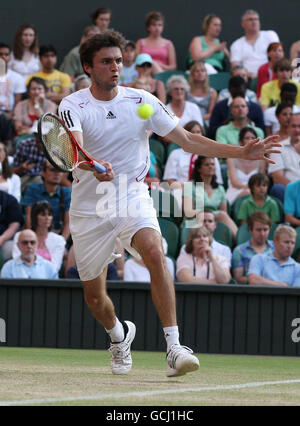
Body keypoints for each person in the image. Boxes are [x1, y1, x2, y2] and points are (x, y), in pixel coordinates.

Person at [57, 30, 280, 378]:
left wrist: (241, 151)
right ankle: (119, 336)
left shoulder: (141, 100)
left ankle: (174, 347)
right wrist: (91, 165)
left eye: (119, 60)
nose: (116, 67)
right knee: (95, 299)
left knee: (155, 250)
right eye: (106, 61)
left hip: (132, 194)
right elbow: (76, 151)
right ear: (88, 67)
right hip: (91, 205)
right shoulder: (73, 105)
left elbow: (188, 139)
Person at [183, 156, 238, 237]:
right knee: (221, 215)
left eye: (212, 164)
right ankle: (240, 240)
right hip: (194, 221)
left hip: (213, 222)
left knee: (222, 216)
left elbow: (224, 212)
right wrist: (209, 214)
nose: (210, 166)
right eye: (207, 164)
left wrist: (211, 217)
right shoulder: (190, 186)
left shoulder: (220, 189)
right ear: (199, 168)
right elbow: (188, 212)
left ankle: (238, 240)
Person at [163, 120, 223, 188]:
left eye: (198, 132)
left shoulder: (210, 155)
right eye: (192, 132)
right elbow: (169, 181)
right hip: (180, 191)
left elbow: (217, 182)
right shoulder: (175, 154)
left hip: (205, 193)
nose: (195, 135)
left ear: (202, 135)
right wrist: (189, 190)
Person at [22, 161, 71, 241]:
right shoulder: (33, 189)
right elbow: (29, 218)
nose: (57, 173)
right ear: (43, 172)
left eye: (60, 170)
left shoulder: (67, 192)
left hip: (58, 237)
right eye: (52, 169)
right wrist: (33, 241)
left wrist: (61, 244)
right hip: (34, 235)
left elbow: (68, 223)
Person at [12, 201, 66, 274]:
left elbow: (55, 267)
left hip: (48, 279)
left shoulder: (58, 240)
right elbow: (16, 260)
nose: (47, 218)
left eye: (49, 215)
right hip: (22, 276)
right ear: (35, 217)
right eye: (43, 215)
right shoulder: (19, 236)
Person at [230, 10, 279, 78]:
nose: (254, 22)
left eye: (256, 19)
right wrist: (251, 75)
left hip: (271, 75)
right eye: (250, 19)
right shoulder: (236, 44)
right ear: (242, 24)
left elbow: (279, 57)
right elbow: (236, 66)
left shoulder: (270, 35)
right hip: (249, 79)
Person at [226, 127, 265, 205]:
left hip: (256, 191)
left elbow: (262, 180)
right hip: (235, 190)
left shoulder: (261, 159)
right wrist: (251, 189)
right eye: (247, 138)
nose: (251, 140)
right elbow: (234, 182)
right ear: (240, 141)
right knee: (248, 192)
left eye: (253, 138)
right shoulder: (231, 158)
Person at [232, 211, 274, 284]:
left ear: (270, 229)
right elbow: (238, 279)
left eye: (265, 229)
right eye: (258, 230)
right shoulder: (239, 251)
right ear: (250, 230)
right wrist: (263, 282)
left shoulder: (276, 248)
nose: (262, 234)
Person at [269, 113, 300, 203]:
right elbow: (277, 177)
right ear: (288, 128)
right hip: (289, 192)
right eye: (293, 126)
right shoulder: (277, 148)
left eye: (299, 126)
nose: (297, 130)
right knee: (277, 189)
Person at [135, 11, 177, 75]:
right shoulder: (140, 43)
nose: (157, 28)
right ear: (148, 27)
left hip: (163, 74)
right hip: (144, 75)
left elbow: (173, 67)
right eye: (154, 25)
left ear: (163, 27)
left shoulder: (169, 44)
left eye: (160, 25)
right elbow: (135, 63)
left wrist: (160, 65)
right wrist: (151, 63)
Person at [12, 123, 46, 194]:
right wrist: (22, 167)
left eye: (45, 134)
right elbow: (13, 171)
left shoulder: (55, 149)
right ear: (35, 135)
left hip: (47, 181)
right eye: (38, 134)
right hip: (26, 178)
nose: (41, 137)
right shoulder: (24, 144)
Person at [186, 60, 218, 126]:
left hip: (205, 122)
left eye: (203, 71)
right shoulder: (186, 90)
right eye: (197, 71)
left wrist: (198, 119)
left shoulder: (212, 92)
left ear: (206, 74)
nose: (200, 73)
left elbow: (211, 113)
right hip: (188, 120)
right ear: (192, 74)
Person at [0, 43, 26, 117]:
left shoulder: (17, 77)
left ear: (10, 57)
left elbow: (18, 104)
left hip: (9, 115)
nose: (3, 57)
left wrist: (11, 115)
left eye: (6, 54)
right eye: (0, 54)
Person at [0, 190, 23, 262]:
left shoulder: (9, 200)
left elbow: (14, 225)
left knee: (11, 249)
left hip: (3, 240)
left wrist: (2, 239)